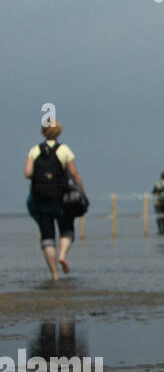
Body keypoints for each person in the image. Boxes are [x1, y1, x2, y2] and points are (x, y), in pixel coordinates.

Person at [24, 121, 86, 282]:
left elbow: (27, 172)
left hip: (40, 198)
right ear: (58, 132)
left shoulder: (35, 150)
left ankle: (54, 275)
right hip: (62, 198)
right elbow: (74, 173)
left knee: (47, 236)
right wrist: (82, 190)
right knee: (66, 229)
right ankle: (63, 255)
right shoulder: (64, 150)